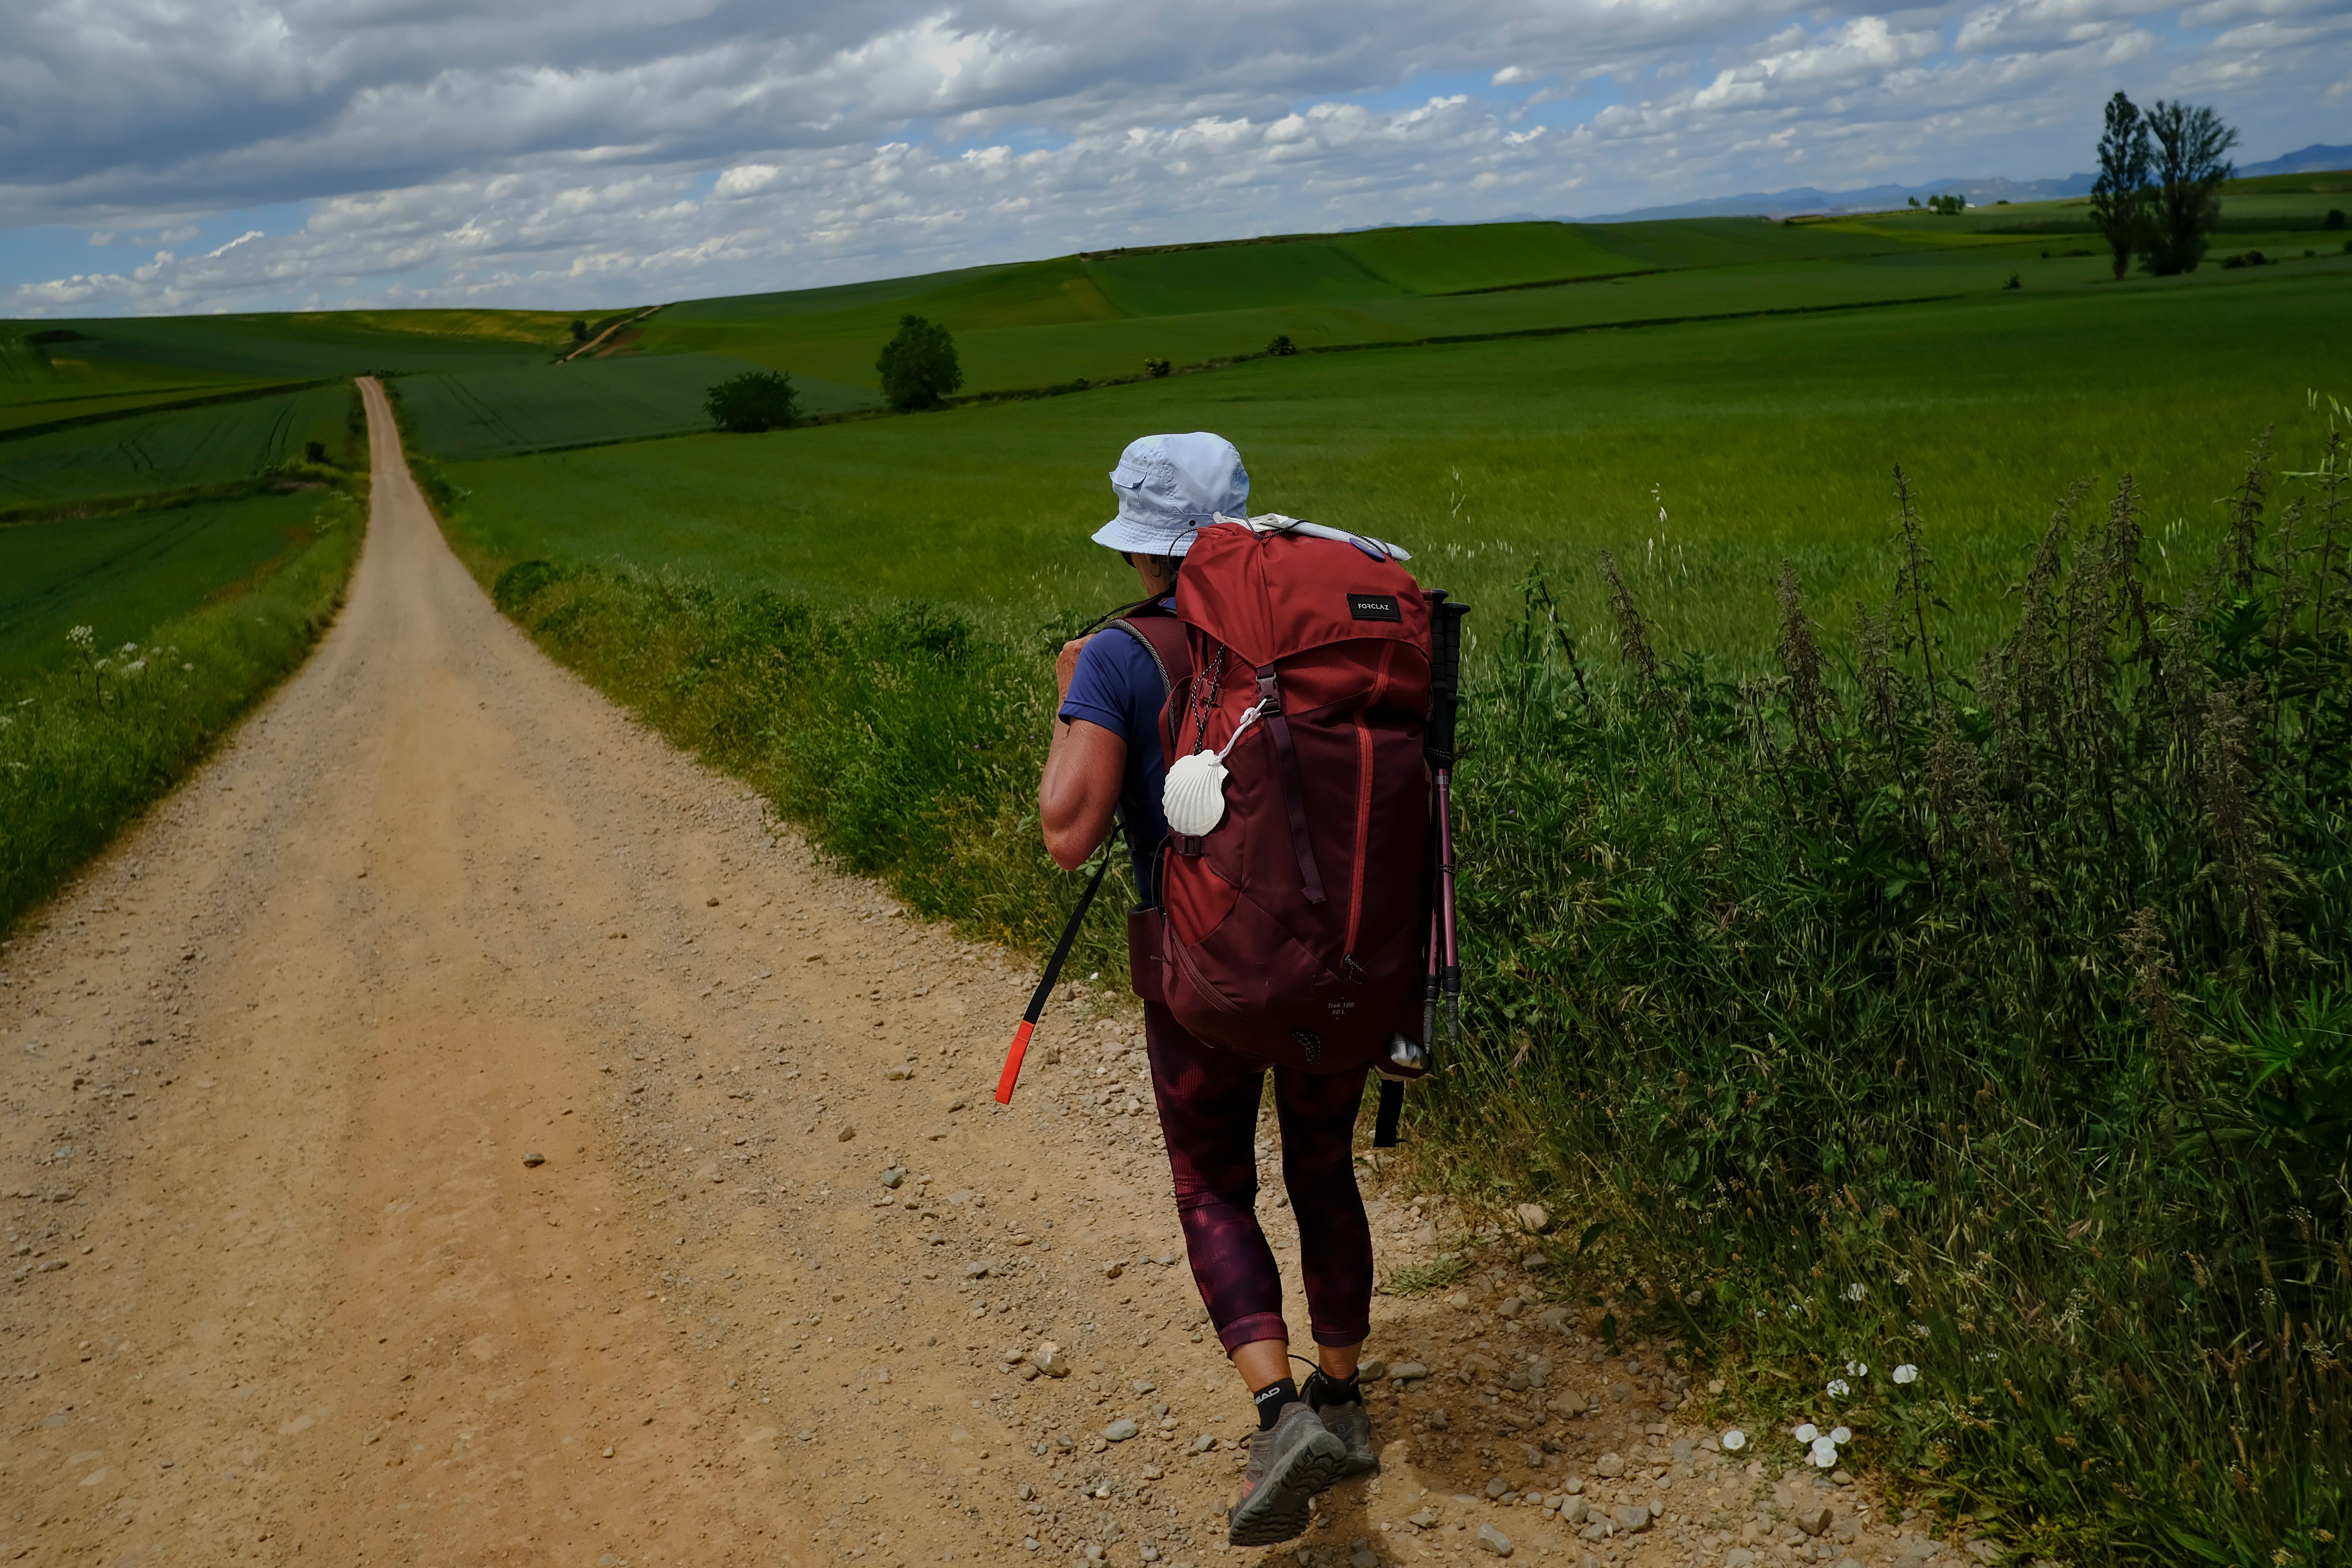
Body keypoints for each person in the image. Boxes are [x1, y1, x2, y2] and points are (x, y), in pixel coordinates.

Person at [1038, 432, 1380, 1547]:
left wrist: (1069, 700)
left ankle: (1280, 1415)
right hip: (1339, 966)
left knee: (1212, 1185)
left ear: (1141, 549)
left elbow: (1067, 834)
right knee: (1321, 1168)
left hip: (1204, 982)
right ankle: (1343, 1397)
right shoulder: (1311, 640)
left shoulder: (1117, 654)